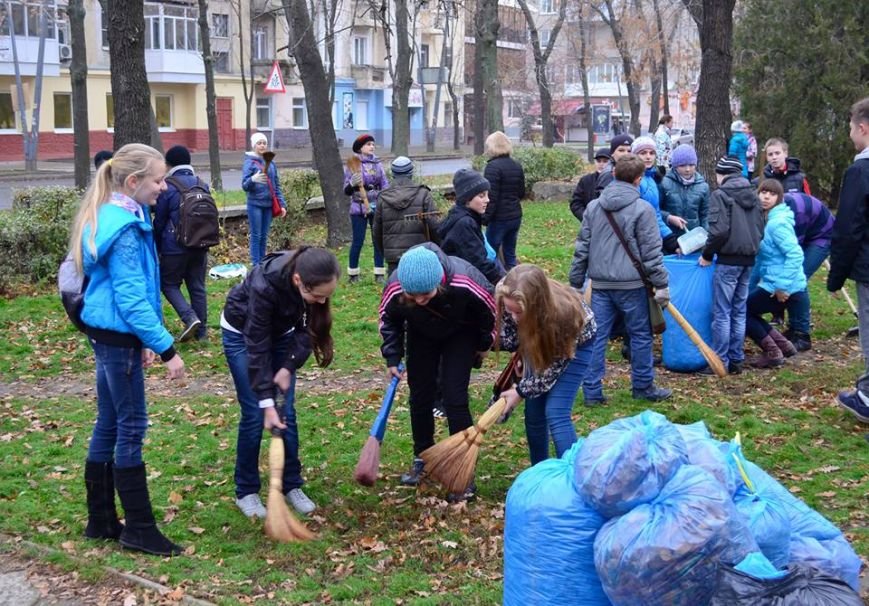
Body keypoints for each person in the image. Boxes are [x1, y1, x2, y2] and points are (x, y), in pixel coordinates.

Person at [70, 143, 186, 557]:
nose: (163, 187)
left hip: (108, 335)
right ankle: (139, 528)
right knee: (131, 427)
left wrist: (141, 340)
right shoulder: (124, 228)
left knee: (109, 422)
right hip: (117, 336)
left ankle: (101, 520)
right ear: (134, 182)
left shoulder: (117, 213)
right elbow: (132, 299)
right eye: (158, 180)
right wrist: (167, 348)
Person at [222, 247, 340, 518]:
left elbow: (306, 330)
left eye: (326, 296)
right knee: (255, 413)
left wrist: (288, 365)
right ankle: (247, 491)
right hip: (242, 336)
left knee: (287, 413)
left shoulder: (314, 281)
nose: (322, 302)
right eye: (317, 296)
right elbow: (257, 345)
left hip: (282, 335)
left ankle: (291, 484)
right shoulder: (265, 286)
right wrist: (266, 399)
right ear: (298, 280)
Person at [379, 244, 496, 501]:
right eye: (414, 296)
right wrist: (392, 356)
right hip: (421, 334)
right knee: (420, 396)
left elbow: (490, 311)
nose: (419, 300)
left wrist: (484, 344)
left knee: (454, 398)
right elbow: (389, 320)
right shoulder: (397, 286)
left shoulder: (466, 280)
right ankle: (424, 456)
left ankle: (460, 467)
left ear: (439, 282)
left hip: (461, 333)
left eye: (426, 294)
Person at [570, 154, 671, 403]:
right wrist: (661, 284)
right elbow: (651, 252)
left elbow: (582, 246)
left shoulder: (593, 207)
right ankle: (643, 386)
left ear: (613, 174)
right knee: (640, 336)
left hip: (600, 285)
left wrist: (574, 282)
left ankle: (592, 392)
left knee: (596, 337)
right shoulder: (643, 210)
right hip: (633, 286)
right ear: (638, 180)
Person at [495, 265, 597, 464]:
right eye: (510, 310)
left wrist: (520, 392)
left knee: (556, 411)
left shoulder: (563, 316)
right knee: (534, 414)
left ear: (536, 305)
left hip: (576, 342)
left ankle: (572, 477)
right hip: (536, 338)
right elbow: (510, 340)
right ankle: (540, 473)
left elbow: (548, 374)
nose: (514, 317)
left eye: (519, 312)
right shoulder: (505, 295)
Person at [698, 156, 765, 375]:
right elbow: (760, 228)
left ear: (722, 174)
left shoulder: (720, 195)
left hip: (728, 261)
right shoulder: (754, 195)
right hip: (748, 260)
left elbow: (718, 231)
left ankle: (720, 361)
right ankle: (737, 359)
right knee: (739, 310)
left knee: (722, 312)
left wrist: (707, 254)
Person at [828, 97, 869, 423]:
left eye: (850, 128)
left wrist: (836, 275)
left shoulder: (860, 172)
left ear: (863, 129)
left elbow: (849, 227)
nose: (849, 135)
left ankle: (867, 397)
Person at [746, 179, 807, 368]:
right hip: (774, 282)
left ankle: (773, 352)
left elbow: (795, 254)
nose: (765, 196)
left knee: (741, 311)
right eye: (763, 192)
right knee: (746, 308)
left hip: (783, 286)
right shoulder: (768, 219)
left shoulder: (776, 224)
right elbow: (764, 260)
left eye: (771, 194)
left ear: (779, 198)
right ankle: (784, 345)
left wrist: (781, 286)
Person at [152, 145, 208, 342]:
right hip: (200, 244)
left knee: (168, 284)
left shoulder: (168, 186)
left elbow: (159, 221)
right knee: (197, 286)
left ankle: (189, 317)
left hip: (174, 246)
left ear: (168, 164)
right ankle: (202, 333)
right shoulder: (201, 184)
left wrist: (157, 246)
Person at [780, 190, 835, 351]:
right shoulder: (772, 208)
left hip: (823, 236)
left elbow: (792, 249)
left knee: (798, 279)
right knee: (791, 279)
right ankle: (793, 328)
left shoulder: (798, 211)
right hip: (806, 233)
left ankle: (803, 335)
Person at [373, 156, 440, 275]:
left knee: (396, 290)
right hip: (420, 255)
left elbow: (376, 232)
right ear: (411, 173)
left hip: (394, 258)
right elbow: (434, 226)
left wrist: (386, 253)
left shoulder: (383, 198)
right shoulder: (423, 194)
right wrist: (436, 250)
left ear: (393, 174)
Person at [439, 168, 505, 285]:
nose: (487, 200)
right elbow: (479, 263)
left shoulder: (467, 217)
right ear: (467, 199)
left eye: (487, 195)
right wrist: (505, 282)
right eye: (481, 196)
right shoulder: (464, 224)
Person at [344, 134, 388, 283]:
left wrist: (384, 199)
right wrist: (352, 183)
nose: (372, 147)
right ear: (360, 147)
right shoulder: (354, 164)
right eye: (368, 144)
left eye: (373, 144)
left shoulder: (378, 164)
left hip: (376, 206)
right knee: (358, 241)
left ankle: (379, 273)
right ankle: (353, 274)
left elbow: (385, 184)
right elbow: (346, 190)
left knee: (378, 240)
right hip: (358, 207)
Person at [482, 131, 526, 270]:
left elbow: (491, 197)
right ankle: (515, 280)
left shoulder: (492, 167)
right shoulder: (516, 165)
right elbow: (521, 192)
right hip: (515, 215)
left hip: (499, 218)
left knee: (491, 253)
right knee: (510, 254)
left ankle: (497, 281)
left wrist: (484, 218)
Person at [242, 133, 287, 265]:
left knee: (264, 235)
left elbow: (276, 185)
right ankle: (256, 264)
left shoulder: (270, 163)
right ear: (254, 145)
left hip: (268, 204)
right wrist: (252, 179)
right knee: (256, 235)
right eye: (259, 143)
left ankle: (262, 262)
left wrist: (282, 204)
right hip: (255, 204)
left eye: (264, 143)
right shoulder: (249, 163)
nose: (262, 145)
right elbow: (245, 186)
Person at [631, 136, 679, 254]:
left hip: (649, 238)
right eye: (643, 153)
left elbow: (655, 213)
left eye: (652, 153)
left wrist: (669, 239)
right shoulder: (632, 179)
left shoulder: (651, 179)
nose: (648, 157)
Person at [659, 144, 710, 240]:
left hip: (694, 238)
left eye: (691, 165)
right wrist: (669, 218)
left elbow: (705, 215)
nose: (688, 169)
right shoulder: (664, 184)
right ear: (675, 166)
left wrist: (705, 235)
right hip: (670, 237)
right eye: (682, 165)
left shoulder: (703, 187)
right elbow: (656, 210)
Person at [570, 147, 610, 221]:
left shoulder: (615, 180)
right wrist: (586, 217)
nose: (601, 164)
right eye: (598, 161)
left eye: (605, 161)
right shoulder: (586, 180)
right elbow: (576, 203)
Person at [594, 134, 634, 199]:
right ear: (612, 153)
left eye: (629, 151)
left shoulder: (634, 171)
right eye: (621, 150)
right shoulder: (609, 174)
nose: (626, 154)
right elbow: (606, 201)